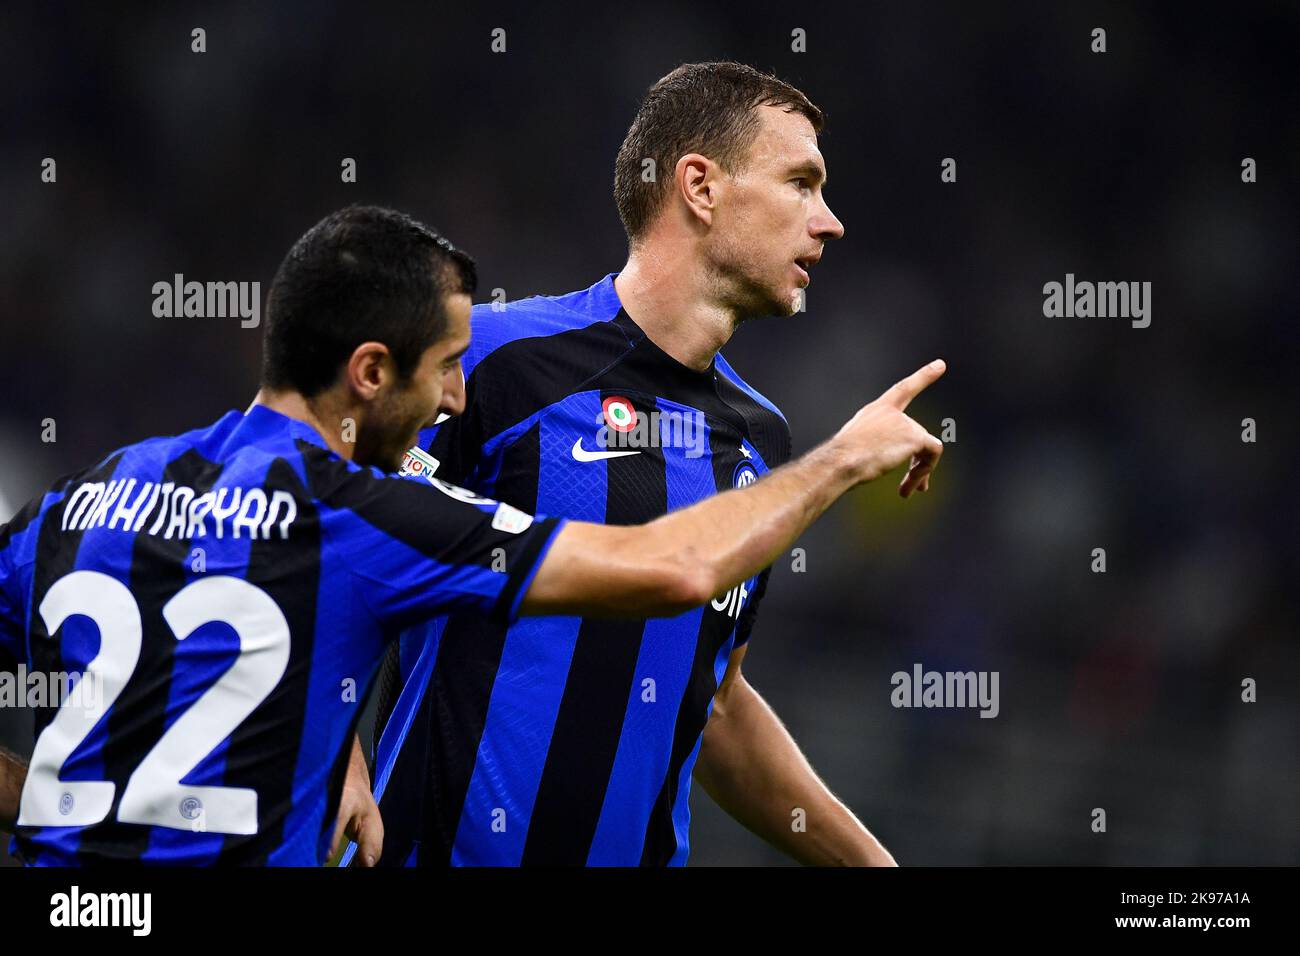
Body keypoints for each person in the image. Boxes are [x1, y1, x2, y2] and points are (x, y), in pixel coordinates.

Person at [0, 204, 946, 864]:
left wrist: (42, 809)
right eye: (448, 367)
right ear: (372, 370)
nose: (458, 394)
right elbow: (678, 566)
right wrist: (841, 459)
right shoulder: (374, 518)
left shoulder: (90, 496)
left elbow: (714, 686)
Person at [355, 63, 937, 868]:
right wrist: (342, 761)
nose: (830, 221)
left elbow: (719, 706)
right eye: (802, 183)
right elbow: (315, 548)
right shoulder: (491, 360)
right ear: (699, 186)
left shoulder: (758, 440)